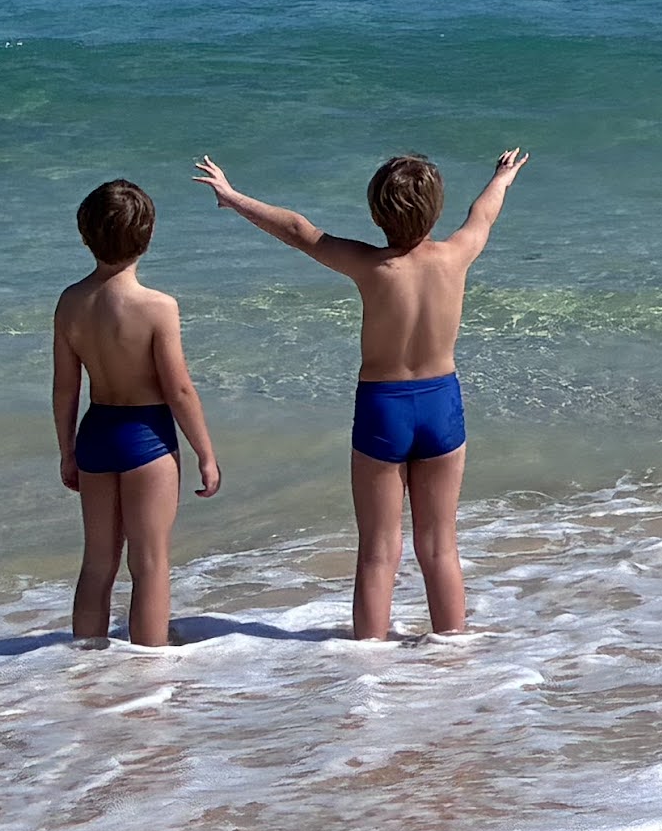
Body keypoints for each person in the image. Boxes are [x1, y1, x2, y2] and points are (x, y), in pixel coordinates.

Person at [194, 144, 527, 640]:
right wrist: (501, 178)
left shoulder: (370, 265)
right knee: (440, 546)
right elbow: (484, 213)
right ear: (436, 209)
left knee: (377, 550)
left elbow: (299, 232)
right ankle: (454, 659)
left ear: (375, 214)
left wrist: (234, 197)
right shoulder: (457, 255)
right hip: (441, 405)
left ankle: (368, 670)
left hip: (383, 409)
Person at [54, 177, 215, 648]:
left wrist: (67, 451)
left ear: (86, 235)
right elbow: (179, 389)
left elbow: (66, 388)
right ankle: (148, 670)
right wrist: (205, 453)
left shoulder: (71, 303)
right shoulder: (157, 308)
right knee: (149, 563)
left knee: (98, 562)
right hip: (147, 437)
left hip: (96, 433)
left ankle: (84, 660)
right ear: (148, 235)